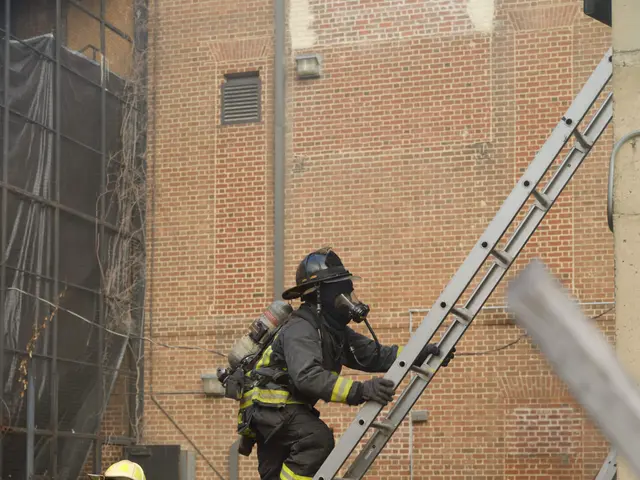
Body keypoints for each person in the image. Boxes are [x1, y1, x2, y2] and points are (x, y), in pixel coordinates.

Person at [237, 247, 455, 480]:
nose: (350, 299)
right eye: (342, 292)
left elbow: (374, 354)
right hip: (269, 408)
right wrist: (361, 390)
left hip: (280, 412)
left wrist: (419, 354)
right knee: (316, 440)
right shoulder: (301, 328)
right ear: (321, 295)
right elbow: (308, 377)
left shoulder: (332, 331)